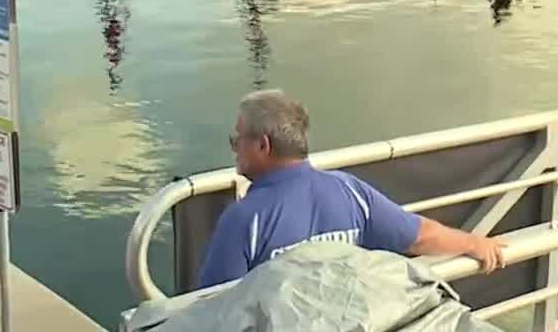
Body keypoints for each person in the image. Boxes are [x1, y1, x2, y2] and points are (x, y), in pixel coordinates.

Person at [196, 90, 507, 289]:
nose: (235, 148)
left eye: (237, 140)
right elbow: (420, 236)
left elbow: (214, 308)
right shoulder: (349, 191)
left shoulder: (244, 219)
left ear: (263, 145)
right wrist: (474, 244)